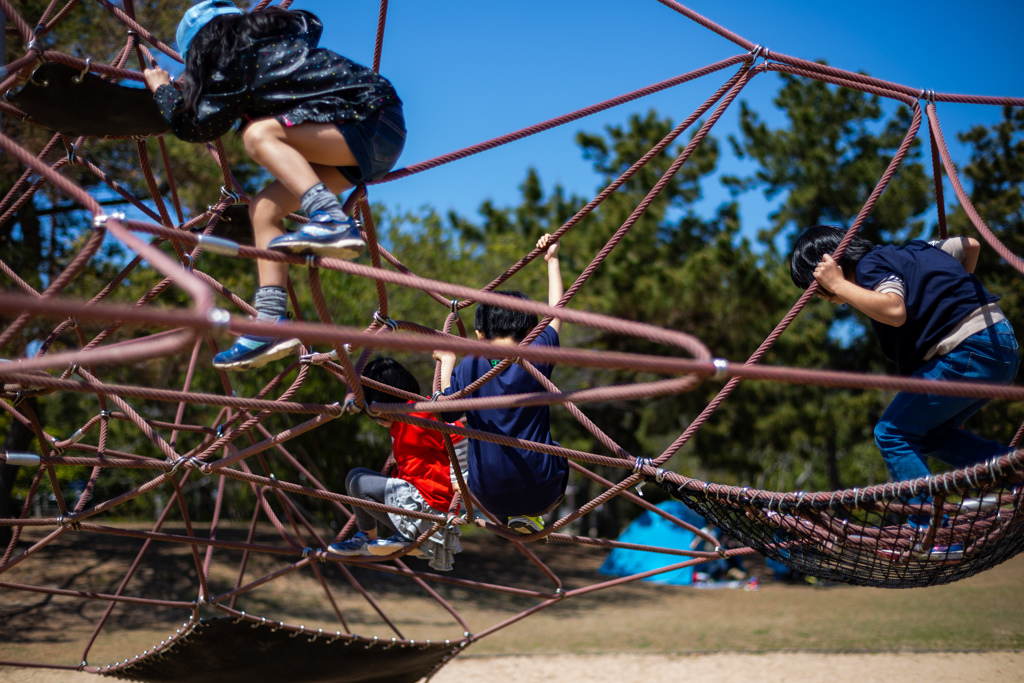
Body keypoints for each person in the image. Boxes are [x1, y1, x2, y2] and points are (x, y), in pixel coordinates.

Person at [143, 1, 405, 371]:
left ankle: (329, 218)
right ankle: (270, 322)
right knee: (264, 208)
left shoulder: (231, 63)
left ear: (202, 51)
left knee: (258, 134)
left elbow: (196, 128)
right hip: (374, 138)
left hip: (363, 121)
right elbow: (310, 24)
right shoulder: (278, 40)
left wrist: (163, 91)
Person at [789, 225, 1019, 554]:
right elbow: (970, 246)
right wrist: (945, 296)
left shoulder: (868, 267)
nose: (824, 297)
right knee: (927, 435)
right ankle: (1013, 471)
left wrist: (840, 285)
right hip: (1000, 346)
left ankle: (931, 530)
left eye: (819, 289)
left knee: (891, 432)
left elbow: (894, 312)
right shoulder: (915, 250)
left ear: (832, 265)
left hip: (968, 350)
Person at [433, 234, 568, 540]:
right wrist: (553, 260)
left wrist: (447, 360)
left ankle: (523, 517)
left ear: (480, 333)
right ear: (530, 327)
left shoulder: (469, 364)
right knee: (558, 452)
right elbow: (557, 311)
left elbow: (444, 410)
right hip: (542, 489)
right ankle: (531, 515)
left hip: (487, 496)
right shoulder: (538, 351)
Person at [328, 358, 467, 571]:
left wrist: (460, 477)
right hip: (418, 503)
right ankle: (388, 535)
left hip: (431, 506)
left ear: (382, 405)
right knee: (356, 476)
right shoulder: (402, 421)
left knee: (358, 481)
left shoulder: (418, 412)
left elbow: (458, 435)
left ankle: (382, 535)